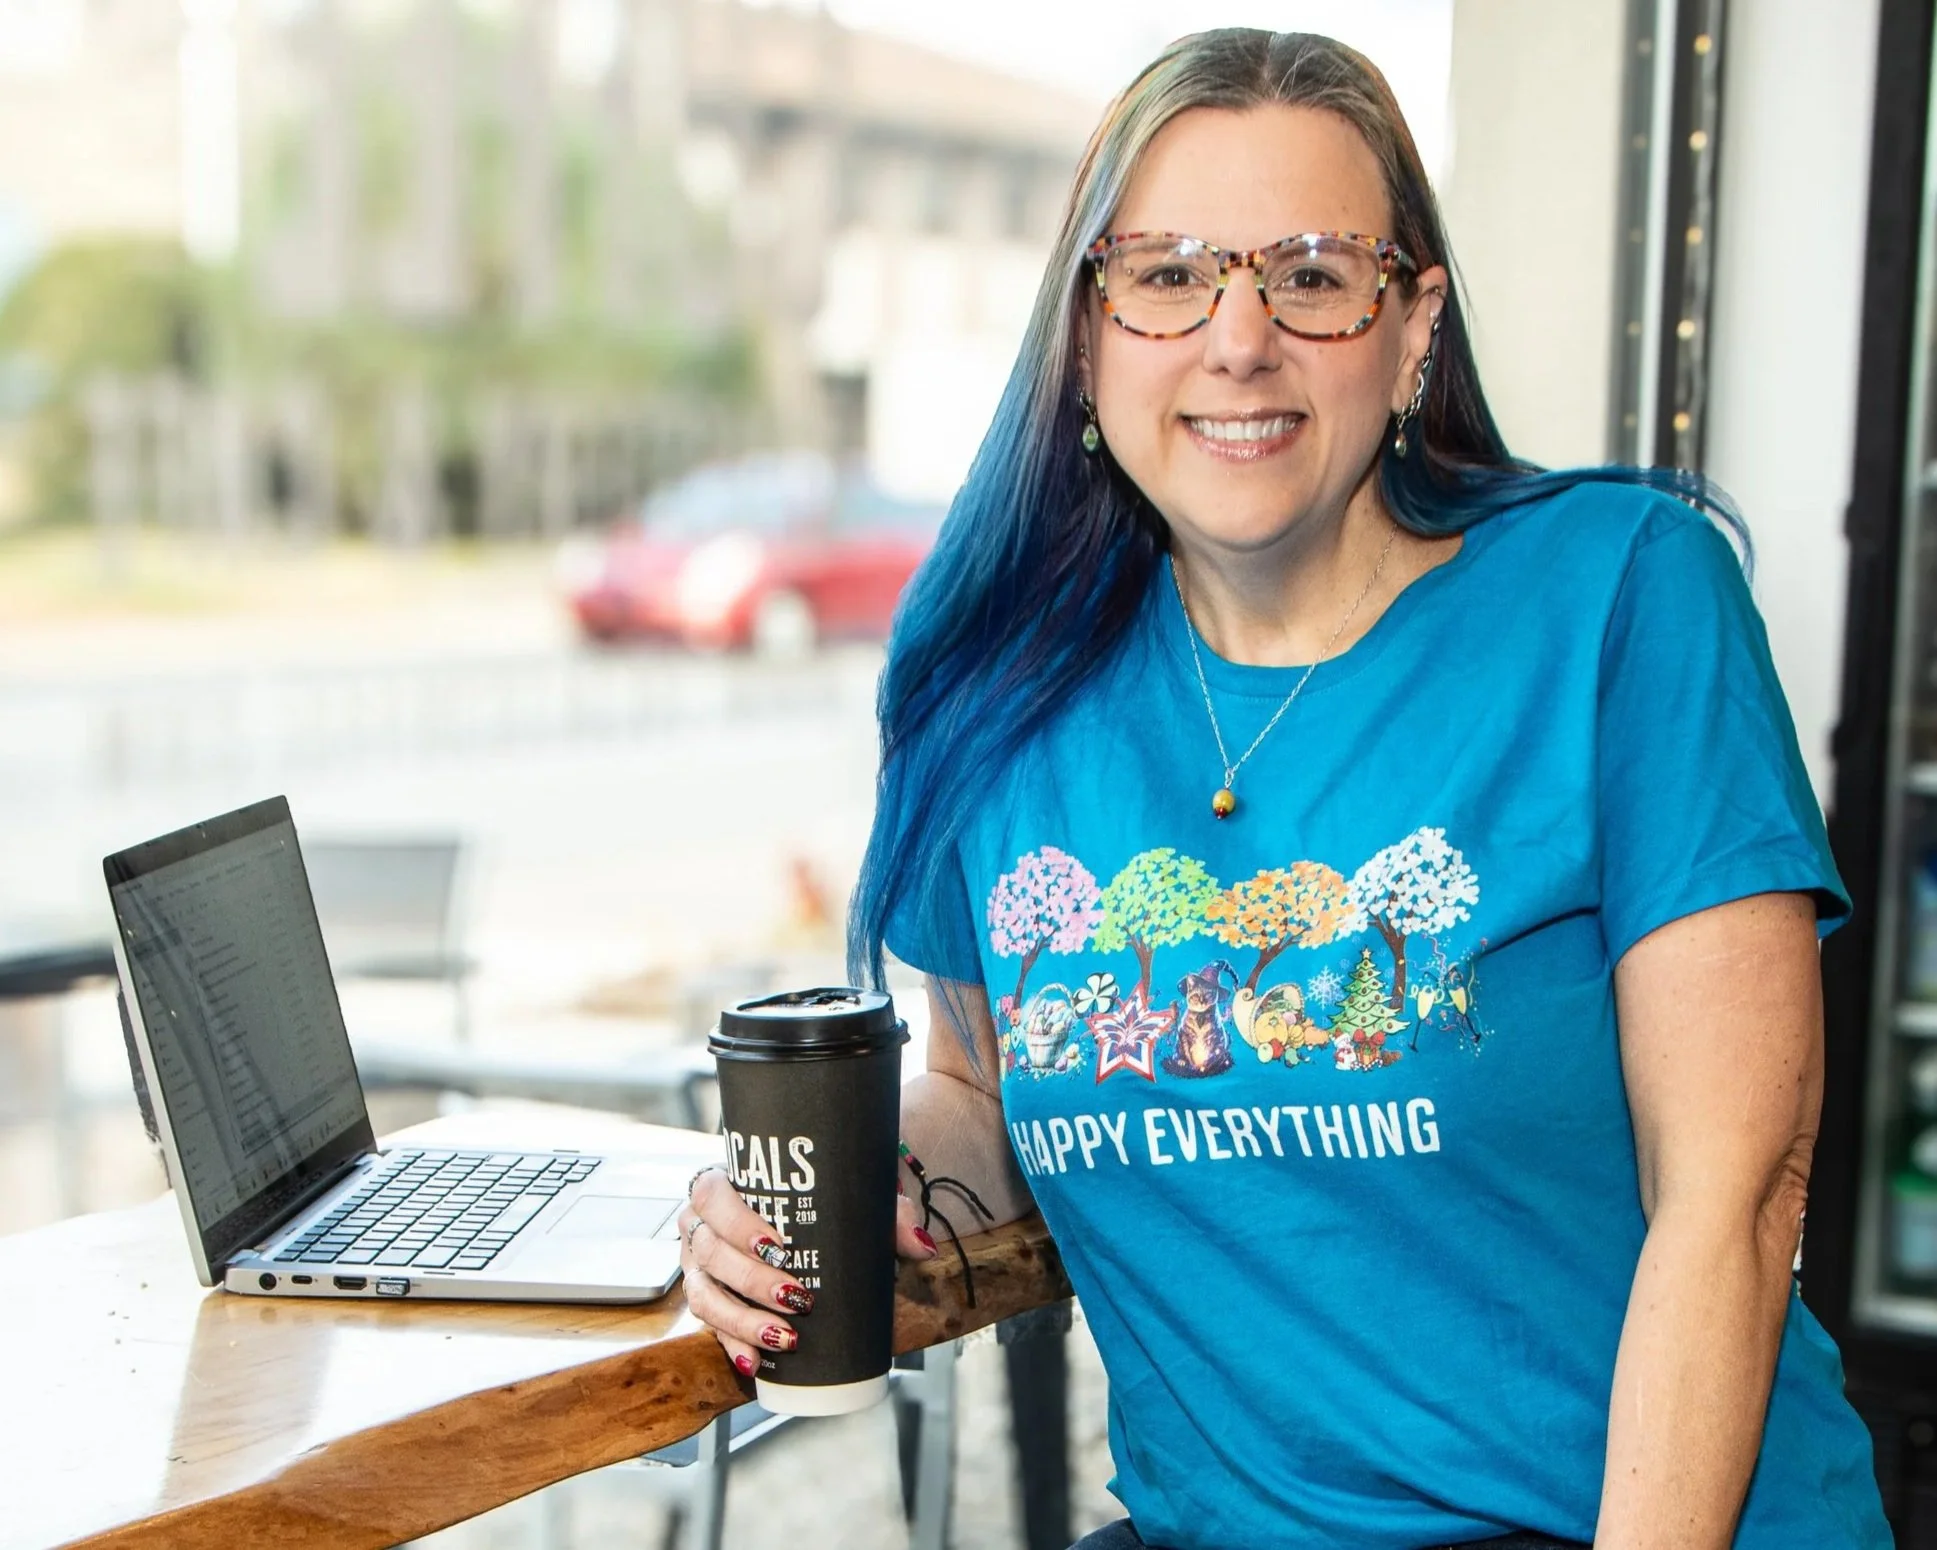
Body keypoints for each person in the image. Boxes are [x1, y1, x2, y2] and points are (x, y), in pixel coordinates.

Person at [678, 27, 1891, 1550]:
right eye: (1170, 273)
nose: (1236, 338)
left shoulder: (1626, 603)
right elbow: (983, 1087)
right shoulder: (999, 690)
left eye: (1312, 274)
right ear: (1091, 331)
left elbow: (1738, 1194)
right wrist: (845, 1192)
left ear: (1413, 329)